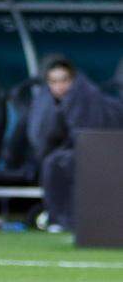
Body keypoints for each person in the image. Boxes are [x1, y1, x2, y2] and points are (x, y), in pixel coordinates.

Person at [28, 58, 123, 232]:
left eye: (64, 80)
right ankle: (61, 219)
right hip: (83, 152)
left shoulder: (87, 98)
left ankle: (67, 220)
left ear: (73, 79)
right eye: (54, 81)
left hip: (110, 150)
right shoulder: (48, 102)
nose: (59, 86)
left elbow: (91, 137)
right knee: (55, 162)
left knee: (58, 163)